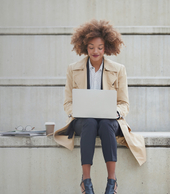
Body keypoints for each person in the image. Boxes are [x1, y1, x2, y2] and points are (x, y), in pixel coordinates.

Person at [53, 19, 147, 194]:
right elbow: (67, 103)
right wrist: (77, 110)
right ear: (84, 47)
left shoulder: (119, 69)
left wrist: (115, 112)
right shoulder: (73, 69)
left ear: (107, 47)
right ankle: (86, 181)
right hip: (84, 121)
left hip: (109, 121)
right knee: (89, 122)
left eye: (100, 47)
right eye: (91, 47)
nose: (95, 51)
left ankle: (112, 182)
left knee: (104, 123)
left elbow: (124, 103)